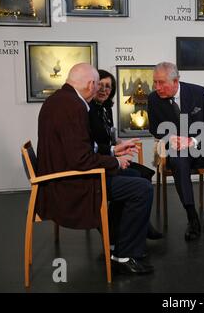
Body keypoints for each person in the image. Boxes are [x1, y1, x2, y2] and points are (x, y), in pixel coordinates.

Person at [36, 63, 154, 275]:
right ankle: (124, 253)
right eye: (98, 85)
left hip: (60, 178)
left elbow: (78, 149)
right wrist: (115, 161)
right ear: (91, 84)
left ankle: (117, 241)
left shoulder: (58, 100)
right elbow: (81, 159)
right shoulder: (74, 107)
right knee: (141, 188)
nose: (100, 90)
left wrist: (111, 152)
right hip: (69, 185)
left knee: (134, 177)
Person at [147, 62, 204, 241]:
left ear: (176, 81)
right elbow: (155, 128)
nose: (157, 87)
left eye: (161, 83)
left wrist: (192, 140)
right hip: (178, 147)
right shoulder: (153, 99)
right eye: (155, 83)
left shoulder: (198, 92)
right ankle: (192, 217)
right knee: (178, 162)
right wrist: (170, 138)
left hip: (203, 143)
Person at [89, 69, 162, 240]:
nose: (104, 89)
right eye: (100, 85)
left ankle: (130, 226)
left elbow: (109, 136)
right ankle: (117, 230)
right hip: (99, 163)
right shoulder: (89, 110)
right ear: (93, 85)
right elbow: (92, 144)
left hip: (106, 158)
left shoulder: (105, 108)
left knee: (145, 174)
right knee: (139, 178)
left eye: (108, 86)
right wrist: (115, 152)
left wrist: (119, 143)